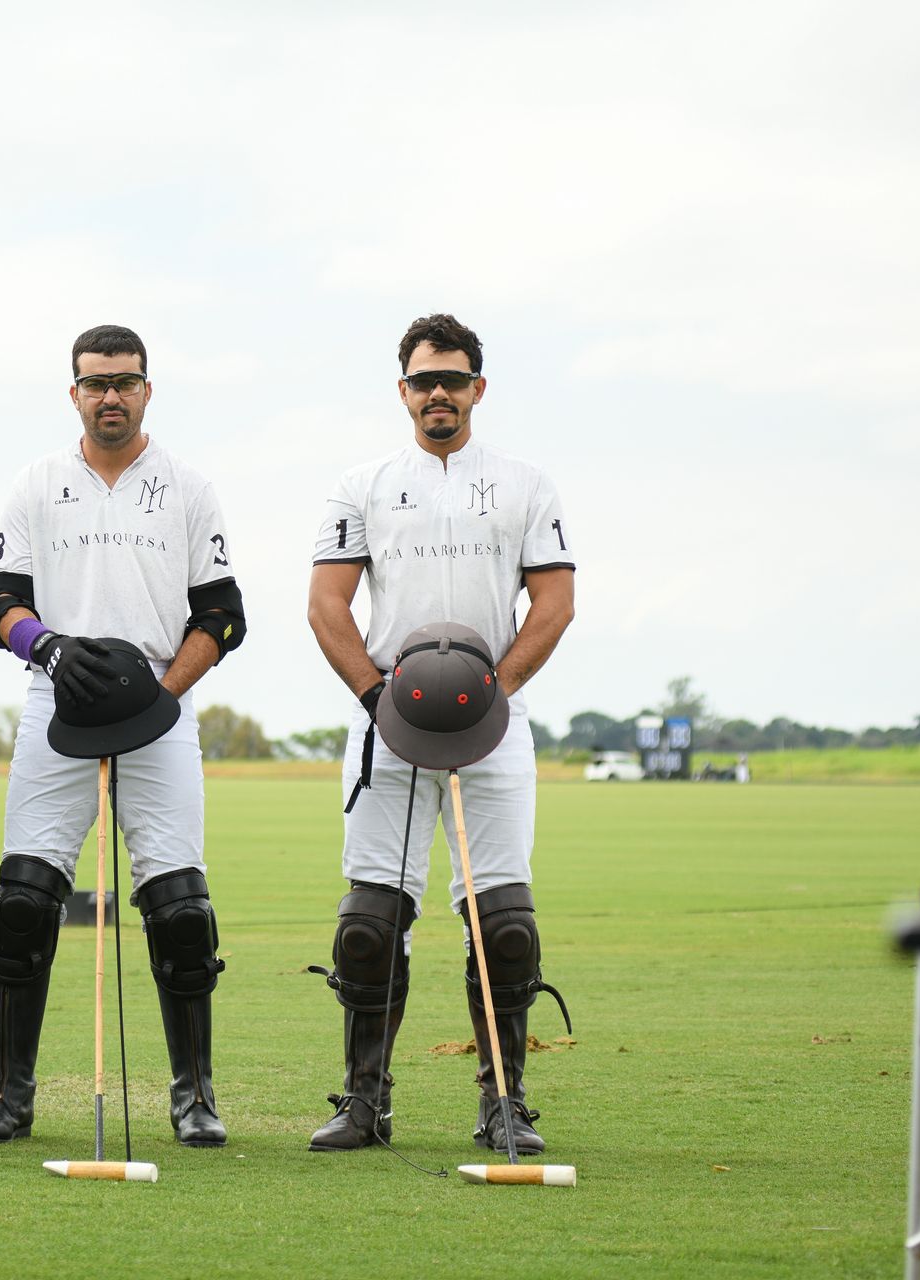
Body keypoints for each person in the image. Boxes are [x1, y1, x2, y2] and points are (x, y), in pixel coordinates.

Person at [305, 312, 576, 1154]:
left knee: (504, 925)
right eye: (424, 381)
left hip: (492, 725)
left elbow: (555, 604)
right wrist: (374, 694)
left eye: (453, 380)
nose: (438, 394)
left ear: (477, 389)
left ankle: (505, 1101)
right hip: (389, 723)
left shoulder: (527, 484)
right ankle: (365, 1099)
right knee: (369, 923)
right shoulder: (362, 485)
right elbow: (326, 604)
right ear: (403, 392)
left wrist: (495, 690)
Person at [0, 324, 246, 1148]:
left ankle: (194, 1094)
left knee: (181, 906)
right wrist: (48, 648)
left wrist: (156, 696)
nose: (110, 396)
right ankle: (10, 1093)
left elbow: (222, 616)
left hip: (158, 704)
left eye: (125, 382)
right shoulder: (37, 482)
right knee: (24, 899)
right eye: (96, 383)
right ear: (75, 393)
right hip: (56, 701)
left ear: (147, 390)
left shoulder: (188, 488)